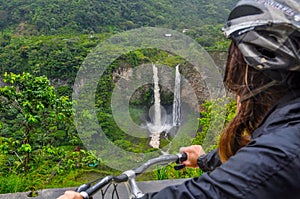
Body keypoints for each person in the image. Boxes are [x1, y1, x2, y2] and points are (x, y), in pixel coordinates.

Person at [57, 0, 300, 198]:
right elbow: (253, 156)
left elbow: (207, 193)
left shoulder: (282, 153)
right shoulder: (285, 130)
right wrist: (205, 159)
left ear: (249, 73)